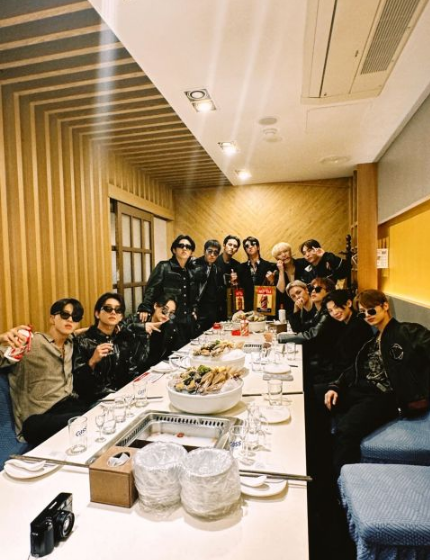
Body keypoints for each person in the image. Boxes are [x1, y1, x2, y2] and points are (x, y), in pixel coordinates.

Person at [323, 289, 430, 476]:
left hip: (385, 395)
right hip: (362, 388)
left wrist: (421, 391)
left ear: (385, 306)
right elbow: (355, 367)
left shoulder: (407, 331)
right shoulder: (373, 340)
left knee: (345, 431)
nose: (367, 316)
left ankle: (344, 480)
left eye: (371, 310)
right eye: (362, 313)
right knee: (316, 399)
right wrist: (335, 386)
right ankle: (317, 463)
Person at [1, 298, 88, 446]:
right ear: (52, 319)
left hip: (67, 406)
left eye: (76, 317)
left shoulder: (69, 343)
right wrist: (2, 338)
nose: (70, 320)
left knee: (98, 413)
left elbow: (76, 333)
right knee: (82, 422)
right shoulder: (30, 343)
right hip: (37, 419)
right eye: (65, 315)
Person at [73, 292, 166, 405]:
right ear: (97, 314)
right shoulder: (83, 341)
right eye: (108, 308)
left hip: (125, 396)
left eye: (118, 310)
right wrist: (92, 361)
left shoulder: (122, 338)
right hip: (98, 401)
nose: (113, 312)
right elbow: (80, 386)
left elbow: (135, 367)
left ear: (121, 317)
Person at [137, 234, 199, 348]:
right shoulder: (164, 266)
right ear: (174, 250)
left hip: (187, 320)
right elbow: (151, 289)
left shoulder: (191, 271)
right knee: (167, 352)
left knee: (187, 351)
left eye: (188, 247)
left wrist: (194, 310)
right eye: (181, 246)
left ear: (191, 252)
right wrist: (145, 308)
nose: (184, 248)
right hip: (168, 318)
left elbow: (194, 294)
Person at [237, 236, 276, 312]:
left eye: (253, 244)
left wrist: (272, 281)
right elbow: (238, 289)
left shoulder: (269, 266)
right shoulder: (239, 268)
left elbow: (274, 289)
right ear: (245, 250)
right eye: (247, 246)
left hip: (264, 307)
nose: (250, 247)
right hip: (246, 308)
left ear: (258, 247)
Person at [194, 239, 223, 333]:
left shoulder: (216, 268)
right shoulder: (194, 265)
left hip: (211, 310)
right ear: (204, 251)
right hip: (197, 308)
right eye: (210, 251)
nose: (212, 255)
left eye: (216, 253)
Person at [272, 242, 307, 314]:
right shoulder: (275, 270)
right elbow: (280, 291)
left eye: (285, 251)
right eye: (279, 254)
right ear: (277, 258)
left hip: (306, 303)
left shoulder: (303, 263)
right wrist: (281, 271)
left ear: (290, 252)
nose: (283, 255)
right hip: (288, 308)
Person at [215, 234, 241, 321]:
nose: (232, 247)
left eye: (235, 246)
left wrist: (236, 281)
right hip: (215, 304)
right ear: (224, 245)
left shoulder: (237, 265)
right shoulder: (214, 262)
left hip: (230, 304)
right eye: (230, 244)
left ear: (237, 250)